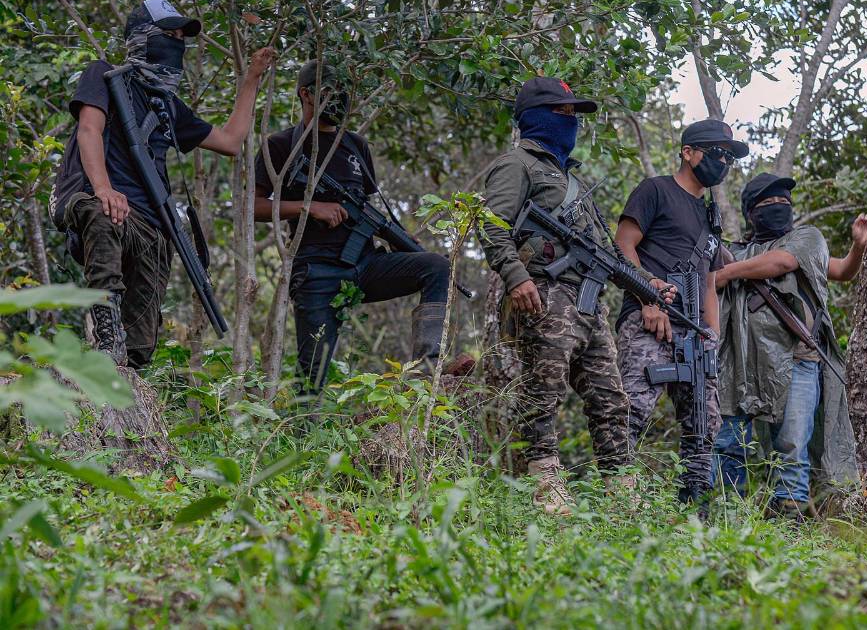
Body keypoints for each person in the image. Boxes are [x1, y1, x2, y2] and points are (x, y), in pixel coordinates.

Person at [54, 0, 276, 367]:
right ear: (142, 38)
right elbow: (89, 130)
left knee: (141, 346)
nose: (176, 42)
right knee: (102, 212)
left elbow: (230, 142)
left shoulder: (167, 105)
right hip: (104, 203)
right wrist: (104, 188)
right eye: (168, 34)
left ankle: (129, 385)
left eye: (180, 36)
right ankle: (107, 337)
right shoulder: (105, 75)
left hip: (153, 223)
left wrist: (251, 78)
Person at [253, 60, 467, 400]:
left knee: (436, 266)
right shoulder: (280, 146)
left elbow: (366, 210)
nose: (339, 98)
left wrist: (395, 234)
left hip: (365, 265)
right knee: (312, 380)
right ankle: (302, 439)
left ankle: (429, 369)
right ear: (306, 94)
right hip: (316, 271)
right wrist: (308, 207)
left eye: (343, 92)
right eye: (329, 91)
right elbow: (253, 206)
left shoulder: (355, 146)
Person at [480, 76, 640, 514]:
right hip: (543, 293)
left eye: (574, 114)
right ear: (537, 117)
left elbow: (604, 251)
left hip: (587, 304)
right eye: (563, 112)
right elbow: (491, 224)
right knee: (543, 391)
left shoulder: (568, 179)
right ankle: (544, 483)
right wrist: (516, 277)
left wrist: (645, 285)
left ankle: (621, 488)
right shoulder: (518, 164)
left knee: (610, 397)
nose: (572, 122)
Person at [711, 173, 866, 520]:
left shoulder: (806, 240)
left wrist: (857, 247)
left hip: (798, 360)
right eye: (767, 204)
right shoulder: (736, 251)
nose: (778, 208)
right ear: (751, 213)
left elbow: (790, 263)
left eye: (783, 202)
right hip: (739, 362)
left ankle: (788, 521)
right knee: (728, 443)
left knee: (791, 445)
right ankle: (727, 517)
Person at [614, 120, 746, 510]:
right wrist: (647, 299)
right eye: (715, 152)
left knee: (704, 428)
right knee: (629, 414)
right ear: (688, 152)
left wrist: (712, 334)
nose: (722, 161)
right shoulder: (655, 191)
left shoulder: (710, 217)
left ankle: (695, 511)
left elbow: (708, 281)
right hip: (649, 321)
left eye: (728, 157)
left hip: (695, 334)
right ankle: (615, 504)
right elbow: (622, 246)